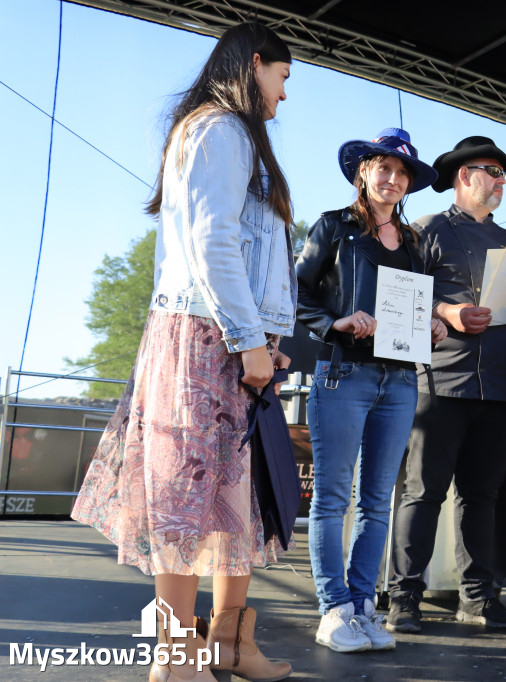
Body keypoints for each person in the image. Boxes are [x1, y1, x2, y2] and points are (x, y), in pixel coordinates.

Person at [71, 22, 295, 682]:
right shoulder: (217, 129)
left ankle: (229, 644)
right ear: (255, 64)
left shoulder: (235, 137)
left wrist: (267, 338)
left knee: (237, 499)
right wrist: (249, 339)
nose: (285, 95)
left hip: (234, 337)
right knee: (185, 495)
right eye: (283, 77)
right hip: (206, 334)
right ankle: (175, 655)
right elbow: (211, 242)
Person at [294, 128, 446, 654]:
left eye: (402, 173)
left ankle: (362, 607)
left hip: (400, 380)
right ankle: (332, 609)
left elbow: (418, 306)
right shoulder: (333, 228)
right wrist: (337, 322)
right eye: (384, 167)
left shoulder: (414, 243)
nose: (393, 178)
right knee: (333, 499)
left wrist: (433, 325)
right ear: (363, 171)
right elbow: (296, 293)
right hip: (344, 375)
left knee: (378, 501)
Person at [386, 136, 506, 633]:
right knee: (422, 492)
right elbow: (397, 297)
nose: (501, 180)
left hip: (497, 388)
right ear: (463, 176)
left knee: (482, 496)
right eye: (492, 170)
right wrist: (447, 310)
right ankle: (403, 597)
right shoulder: (425, 230)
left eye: (503, 173)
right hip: (438, 382)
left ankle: (478, 597)